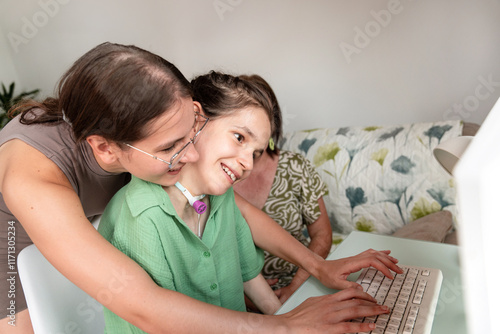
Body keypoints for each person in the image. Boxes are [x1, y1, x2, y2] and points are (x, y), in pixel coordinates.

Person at [0, 42, 401, 334]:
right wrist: (286, 328)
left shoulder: (143, 124)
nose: (191, 155)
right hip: (11, 233)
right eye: (173, 147)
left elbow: (236, 210)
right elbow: (141, 306)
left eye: (193, 132)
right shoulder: (34, 179)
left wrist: (317, 265)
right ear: (106, 149)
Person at [97, 71, 283, 332]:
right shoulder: (142, 214)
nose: (248, 163)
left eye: (256, 153)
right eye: (240, 137)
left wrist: (288, 320)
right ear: (196, 122)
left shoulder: (222, 196)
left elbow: (248, 275)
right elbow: (163, 321)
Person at [234, 74, 332, 303]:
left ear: (272, 123)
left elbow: (322, 235)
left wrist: (294, 288)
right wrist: (243, 296)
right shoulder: (217, 175)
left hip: (294, 285)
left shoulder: (294, 167)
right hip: (236, 294)